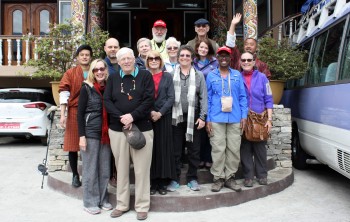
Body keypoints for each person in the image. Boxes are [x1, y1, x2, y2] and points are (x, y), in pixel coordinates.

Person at [104, 47, 154, 221]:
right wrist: (121, 118)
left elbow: (149, 100)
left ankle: (142, 206)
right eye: (122, 59)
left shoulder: (145, 76)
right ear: (118, 61)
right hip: (118, 130)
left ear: (135, 59)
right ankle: (122, 204)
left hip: (142, 128)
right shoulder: (113, 78)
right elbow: (107, 101)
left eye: (129, 58)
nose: (126, 61)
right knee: (122, 169)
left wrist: (132, 116)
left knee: (142, 170)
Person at [206, 46, 248, 193]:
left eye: (226, 56)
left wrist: (244, 116)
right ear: (217, 59)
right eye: (221, 56)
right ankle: (218, 178)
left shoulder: (237, 75)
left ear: (231, 59)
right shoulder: (211, 76)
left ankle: (230, 177)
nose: (224, 58)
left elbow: (243, 97)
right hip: (216, 118)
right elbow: (208, 98)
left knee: (234, 149)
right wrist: (208, 119)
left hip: (235, 117)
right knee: (218, 149)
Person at [168, 45, 207, 192]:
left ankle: (192, 178)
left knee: (194, 150)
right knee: (176, 150)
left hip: (194, 117)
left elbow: (204, 97)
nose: (184, 58)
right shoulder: (171, 74)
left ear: (192, 58)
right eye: (182, 55)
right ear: (178, 58)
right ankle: (175, 178)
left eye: (187, 56)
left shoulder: (199, 75)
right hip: (175, 117)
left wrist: (203, 117)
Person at [77, 59, 112, 215]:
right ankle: (90, 202)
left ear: (106, 70)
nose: (99, 72)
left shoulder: (109, 87)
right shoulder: (86, 88)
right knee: (90, 170)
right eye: (96, 69)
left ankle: (103, 199)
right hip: (90, 132)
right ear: (92, 71)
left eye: (102, 69)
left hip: (105, 134)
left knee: (104, 169)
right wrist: (81, 136)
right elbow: (79, 114)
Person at [59, 44, 93, 188]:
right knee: (73, 145)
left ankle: (90, 175)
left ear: (91, 57)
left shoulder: (96, 70)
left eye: (87, 54)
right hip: (74, 111)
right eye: (82, 55)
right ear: (77, 57)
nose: (85, 57)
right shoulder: (70, 73)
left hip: (92, 112)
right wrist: (62, 114)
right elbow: (64, 93)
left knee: (91, 145)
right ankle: (75, 175)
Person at [239, 51, 273, 187]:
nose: (246, 62)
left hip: (259, 118)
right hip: (243, 119)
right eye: (243, 60)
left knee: (260, 149)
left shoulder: (263, 77)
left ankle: (262, 175)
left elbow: (269, 98)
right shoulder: (237, 77)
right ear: (240, 62)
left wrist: (269, 120)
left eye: (249, 60)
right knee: (245, 148)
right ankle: (248, 177)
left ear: (254, 62)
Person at [146, 50, 176, 196]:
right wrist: (151, 111)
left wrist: (160, 113)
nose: (153, 60)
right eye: (150, 58)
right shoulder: (144, 76)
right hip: (148, 117)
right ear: (147, 61)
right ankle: (152, 182)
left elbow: (171, 97)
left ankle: (162, 183)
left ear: (160, 60)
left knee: (163, 149)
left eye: (156, 58)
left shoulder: (167, 76)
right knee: (151, 151)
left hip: (164, 117)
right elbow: (142, 96)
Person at [193, 38, 218, 169]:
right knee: (200, 131)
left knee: (210, 129)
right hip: (197, 100)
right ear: (197, 49)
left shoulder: (215, 63)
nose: (203, 49)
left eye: (206, 48)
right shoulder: (193, 63)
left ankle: (208, 158)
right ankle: (200, 158)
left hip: (212, 99)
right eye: (201, 47)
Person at [226, 13, 271, 79]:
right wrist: (233, 24)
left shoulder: (262, 65)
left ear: (257, 48)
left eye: (251, 44)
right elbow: (230, 44)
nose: (248, 46)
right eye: (246, 44)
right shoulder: (237, 59)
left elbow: (266, 84)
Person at [104, 37, 120, 187]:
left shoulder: (124, 64)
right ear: (105, 49)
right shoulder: (101, 66)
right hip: (107, 111)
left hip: (123, 112)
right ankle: (111, 175)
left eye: (115, 47)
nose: (113, 49)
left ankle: (119, 173)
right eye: (110, 47)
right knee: (110, 145)